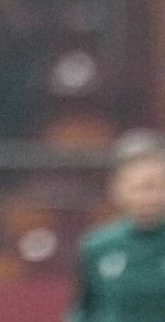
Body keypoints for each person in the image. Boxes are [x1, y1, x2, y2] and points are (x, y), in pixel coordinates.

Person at [69, 129, 165, 321]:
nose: (148, 197)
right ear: (117, 188)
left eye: (157, 187)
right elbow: (85, 309)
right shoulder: (98, 246)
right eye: (139, 188)